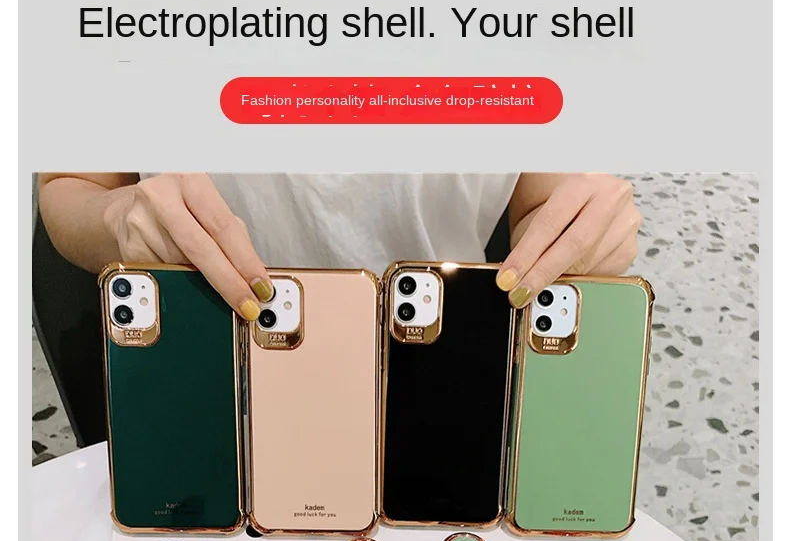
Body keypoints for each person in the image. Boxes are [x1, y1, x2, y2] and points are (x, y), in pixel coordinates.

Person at [37, 172, 641, 320]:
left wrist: (577, 230)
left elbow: (544, 197)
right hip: (207, 363)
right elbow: (70, 186)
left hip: (447, 371)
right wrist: (118, 218)